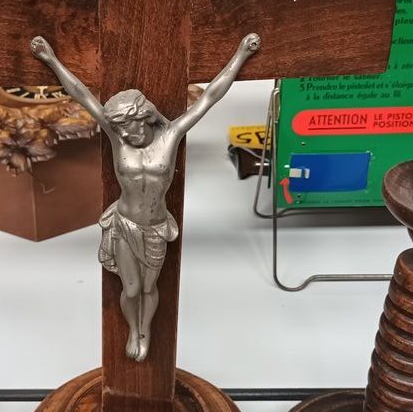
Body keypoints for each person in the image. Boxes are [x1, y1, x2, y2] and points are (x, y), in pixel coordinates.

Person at [31, 32, 261, 360]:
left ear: (145, 118)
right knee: (131, 288)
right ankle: (132, 330)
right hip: (124, 223)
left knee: (150, 287)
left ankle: (145, 330)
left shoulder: (171, 135)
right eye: (119, 129)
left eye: (129, 127)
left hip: (155, 227)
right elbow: (81, 94)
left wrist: (241, 54)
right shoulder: (118, 138)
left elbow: (210, 96)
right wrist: (51, 59)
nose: (124, 134)